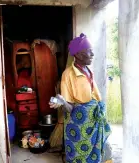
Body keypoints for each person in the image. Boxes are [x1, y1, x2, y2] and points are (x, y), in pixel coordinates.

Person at [49, 33, 112, 163]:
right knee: (79, 156)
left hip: (93, 124)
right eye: (89, 51)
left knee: (95, 156)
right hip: (79, 128)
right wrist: (61, 101)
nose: (93, 55)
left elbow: (95, 97)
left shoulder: (88, 71)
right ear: (77, 55)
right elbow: (69, 108)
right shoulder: (68, 75)